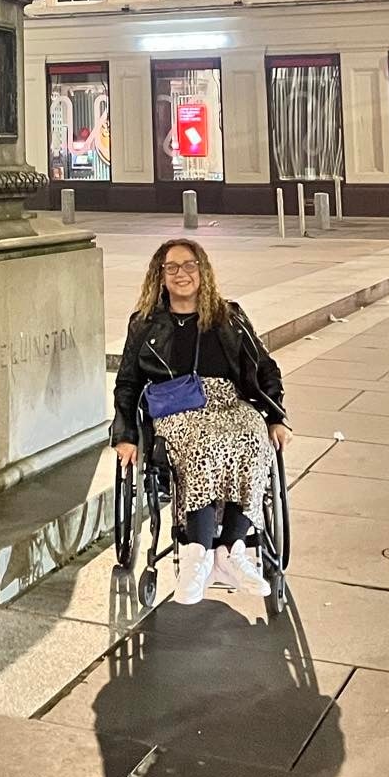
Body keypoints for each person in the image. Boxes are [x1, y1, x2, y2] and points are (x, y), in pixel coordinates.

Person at [112, 238, 291, 607]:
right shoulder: (145, 324)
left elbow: (265, 368)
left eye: (190, 265)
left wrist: (276, 416)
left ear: (203, 270)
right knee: (204, 441)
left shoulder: (229, 316)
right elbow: (128, 382)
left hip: (229, 402)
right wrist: (126, 435)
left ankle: (230, 548)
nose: (182, 274)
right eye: (172, 267)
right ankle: (197, 552)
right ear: (159, 276)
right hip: (177, 407)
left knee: (254, 436)